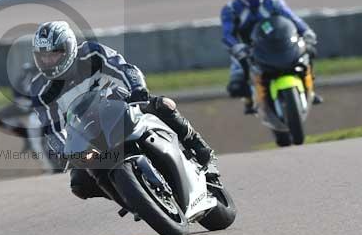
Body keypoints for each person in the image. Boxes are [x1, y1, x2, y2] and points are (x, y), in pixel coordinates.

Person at [29, 20, 219, 202]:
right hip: (88, 134)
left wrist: (138, 90)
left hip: (121, 105)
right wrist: (66, 151)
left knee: (163, 105)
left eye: (53, 54)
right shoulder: (39, 88)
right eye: (42, 56)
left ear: (68, 48)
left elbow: (124, 68)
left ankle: (201, 149)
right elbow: (51, 128)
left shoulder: (91, 53)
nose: (48, 60)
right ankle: (132, 198)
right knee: (79, 183)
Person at [221, 0, 321, 113]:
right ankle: (249, 100)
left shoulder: (274, 3)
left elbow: (294, 20)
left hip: (280, 44)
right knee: (236, 86)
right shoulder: (231, 9)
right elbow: (227, 34)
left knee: (307, 53)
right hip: (249, 50)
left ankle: (309, 88)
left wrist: (307, 33)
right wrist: (237, 47)